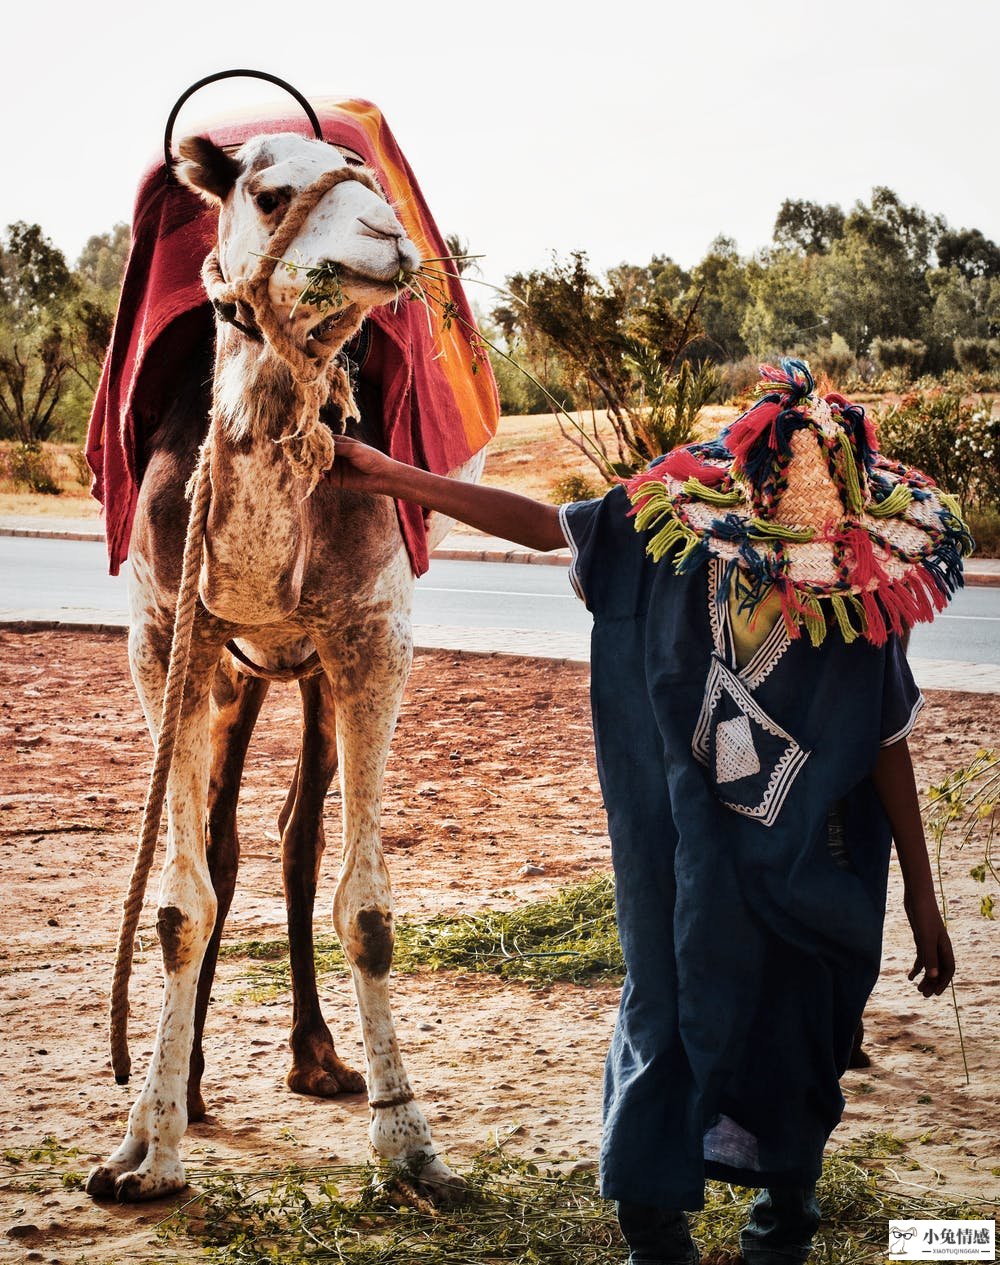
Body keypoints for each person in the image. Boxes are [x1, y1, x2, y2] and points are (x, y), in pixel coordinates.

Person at [330, 359, 963, 1264]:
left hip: (810, 874)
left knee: (798, 1033)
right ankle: (654, 1229)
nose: (802, 571)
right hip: (684, 864)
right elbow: (547, 527)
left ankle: (783, 1223)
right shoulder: (669, 547)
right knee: (666, 1017)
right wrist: (390, 474)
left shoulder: (856, 608)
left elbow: (886, 742)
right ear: (745, 515)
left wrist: (924, 901)